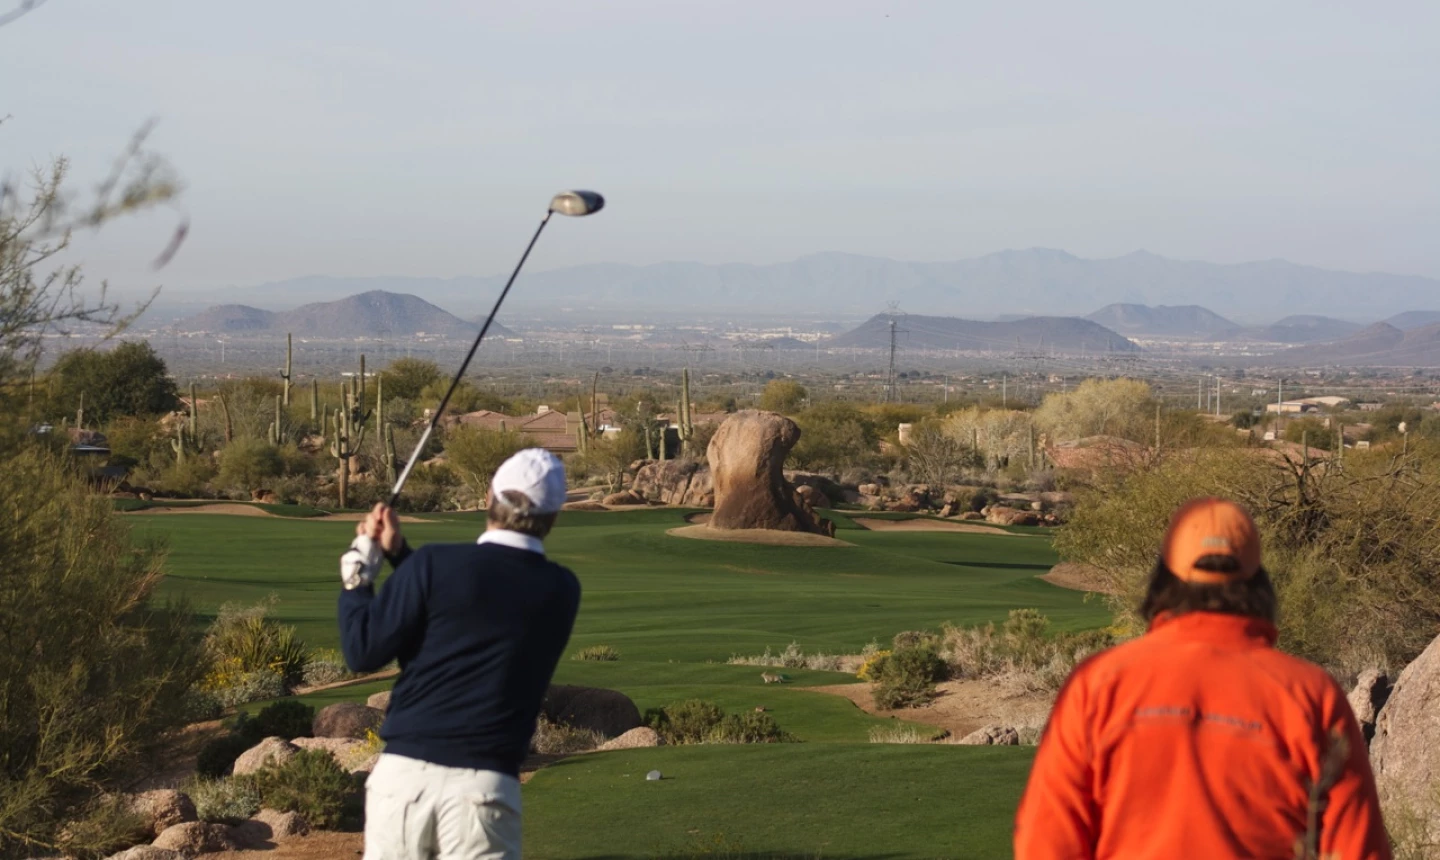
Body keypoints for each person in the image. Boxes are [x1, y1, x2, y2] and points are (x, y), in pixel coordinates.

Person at [1014, 497, 1390, 860]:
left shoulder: (1098, 684)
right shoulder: (1311, 695)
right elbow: (1356, 848)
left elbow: (1047, 842)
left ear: (1163, 578)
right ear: (1259, 581)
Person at [337, 448, 581, 860]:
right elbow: (477, 598)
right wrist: (401, 556)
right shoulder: (560, 590)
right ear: (553, 517)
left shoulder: (433, 564)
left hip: (402, 782)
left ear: (490, 496)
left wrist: (359, 572)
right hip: (483, 789)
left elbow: (362, 651)